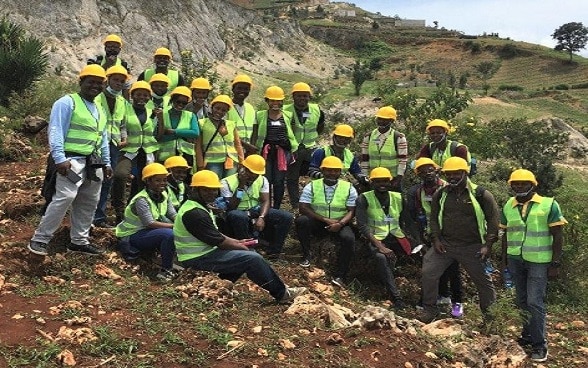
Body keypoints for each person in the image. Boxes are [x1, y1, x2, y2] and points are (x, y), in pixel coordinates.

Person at [173, 170, 307, 304]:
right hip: (197, 258)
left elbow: (215, 235)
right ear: (195, 189)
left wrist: (238, 242)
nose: (212, 193)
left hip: (203, 252)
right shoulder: (195, 213)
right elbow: (220, 242)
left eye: (214, 190)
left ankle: (220, 285)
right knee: (252, 258)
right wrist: (241, 246)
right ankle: (282, 294)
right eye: (207, 190)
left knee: (243, 256)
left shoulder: (200, 207)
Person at [28, 65, 111, 256]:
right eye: (91, 82)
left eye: (99, 83)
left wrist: (106, 162)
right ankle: (40, 239)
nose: (95, 86)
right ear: (81, 81)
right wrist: (59, 158)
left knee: (89, 201)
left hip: (92, 162)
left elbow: (102, 137)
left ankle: (79, 241)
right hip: (70, 160)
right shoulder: (67, 102)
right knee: (65, 197)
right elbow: (56, 131)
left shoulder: (99, 108)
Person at [419, 157, 499, 323]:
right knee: (428, 272)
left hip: (473, 247)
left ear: (465, 173)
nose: (453, 177)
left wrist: (488, 245)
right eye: (449, 174)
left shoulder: (481, 194)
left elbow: (493, 220)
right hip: (446, 245)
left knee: (484, 283)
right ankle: (429, 309)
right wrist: (436, 239)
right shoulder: (441, 194)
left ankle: (490, 319)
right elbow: (433, 218)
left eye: (457, 173)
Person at [500, 169, 567, 363]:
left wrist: (555, 263)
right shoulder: (508, 205)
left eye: (523, 183)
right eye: (516, 184)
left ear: (533, 185)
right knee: (521, 300)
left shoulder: (548, 204)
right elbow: (505, 235)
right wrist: (503, 260)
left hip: (539, 261)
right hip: (515, 260)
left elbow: (558, 236)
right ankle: (527, 335)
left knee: (534, 302)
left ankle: (540, 345)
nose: (519, 187)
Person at [406, 158, 463, 317]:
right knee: (429, 270)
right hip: (429, 236)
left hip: (450, 236)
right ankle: (430, 302)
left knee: (453, 270)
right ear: (418, 174)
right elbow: (412, 218)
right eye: (422, 171)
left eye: (430, 169)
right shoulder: (416, 192)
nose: (427, 173)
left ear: (436, 170)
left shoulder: (448, 188)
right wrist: (419, 241)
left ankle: (457, 307)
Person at [356, 167, 416, 310]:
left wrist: (419, 242)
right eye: (377, 181)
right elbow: (363, 226)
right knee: (382, 258)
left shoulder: (398, 197)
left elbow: (408, 222)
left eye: (385, 181)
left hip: (396, 236)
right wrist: (380, 247)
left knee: (423, 255)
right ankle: (396, 298)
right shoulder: (363, 198)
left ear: (390, 182)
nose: (382, 184)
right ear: (372, 182)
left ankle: (424, 300)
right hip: (375, 238)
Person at [295, 156, 357, 288]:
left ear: (340, 172)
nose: (332, 173)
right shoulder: (312, 185)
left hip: (340, 223)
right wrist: (324, 219)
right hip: (319, 222)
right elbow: (303, 207)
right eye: (328, 170)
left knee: (349, 238)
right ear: (322, 171)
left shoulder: (349, 187)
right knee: (302, 221)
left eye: (335, 171)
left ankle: (341, 275)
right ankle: (307, 255)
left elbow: (352, 211)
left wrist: (339, 224)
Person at [220, 154, 293, 259]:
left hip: (255, 210)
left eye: (257, 174)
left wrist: (261, 217)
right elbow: (231, 206)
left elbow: (265, 201)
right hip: (237, 212)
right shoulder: (226, 182)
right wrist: (241, 185)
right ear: (243, 169)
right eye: (251, 173)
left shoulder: (262, 180)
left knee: (286, 217)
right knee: (238, 216)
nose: (254, 176)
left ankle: (274, 251)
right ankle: (248, 249)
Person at [115, 163, 177, 282]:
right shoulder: (141, 199)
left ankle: (171, 260)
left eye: (164, 180)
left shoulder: (164, 194)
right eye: (157, 180)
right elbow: (150, 223)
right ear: (148, 181)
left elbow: (172, 214)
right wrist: (175, 226)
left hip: (148, 232)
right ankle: (165, 270)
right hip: (132, 234)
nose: (162, 183)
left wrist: (182, 223)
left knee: (175, 230)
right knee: (169, 234)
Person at [111, 81, 160, 223]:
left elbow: (156, 132)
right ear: (132, 95)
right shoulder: (125, 109)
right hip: (129, 150)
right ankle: (118, 209)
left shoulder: (152, 113)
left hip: (147, 151)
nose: (142, 97)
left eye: (145, 95)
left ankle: (133, 211)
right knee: (120, 175)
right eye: (138, 94)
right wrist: (121, 139)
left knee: (142, 183)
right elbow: (120, 125)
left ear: (149, 97)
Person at [92, 65, 129, 228]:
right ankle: (88, 216)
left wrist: (124, 138)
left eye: (121, 81)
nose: (118, 83)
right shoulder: (97, 97)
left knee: (107, 180)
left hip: (113, 146)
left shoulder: (122, 101)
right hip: (97, 143)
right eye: (115, 79)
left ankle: (99, 217)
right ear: (108, 80)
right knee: (92, 180)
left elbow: (122, 124)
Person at [251, 86, 298, 210]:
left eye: (278, 101)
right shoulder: (260, 115)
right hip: (266, 152)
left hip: (282, 152)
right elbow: (255, 134)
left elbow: (292, 132)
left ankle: (276, 206)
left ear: (282, 101)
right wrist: (254, 150)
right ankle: (266, 206)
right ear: (267, 101)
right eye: (272, 100)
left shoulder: (288, 115)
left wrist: (292, 148)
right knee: (267, 179)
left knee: (279, 180)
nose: (275, 103)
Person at [283, 82, 325, 209]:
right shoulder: (285, 110)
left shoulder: (316, 110)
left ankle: (315, 201)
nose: (302, 98)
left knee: (317, 174)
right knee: (292, 177)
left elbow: (320, 127)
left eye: (305, 96)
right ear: (293, 96)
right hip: (293, 148)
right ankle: (296, 204)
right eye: (299, 96)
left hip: (310, 148)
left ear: (309, 97)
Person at [195, 95, 244, 179]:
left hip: (231, 161)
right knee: (213, 187)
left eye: (223, 110)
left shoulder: (231, 124)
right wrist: (200, 165)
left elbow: (237, 144)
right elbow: (198, 146)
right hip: (212, 162)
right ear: (212, 107)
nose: (220, 111)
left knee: (229, 187)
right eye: (217, 108)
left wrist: (242, 162)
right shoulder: (202, 123)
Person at [360, 106, 408, 192]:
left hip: (391, 180)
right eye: (379, 119)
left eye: (385, 119)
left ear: (392, 121)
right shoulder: (368, 136)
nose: (381, 121)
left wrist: (398, 178)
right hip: (374, 179)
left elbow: (402, 160)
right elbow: (364, 158)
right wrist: (365, 176)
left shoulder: (398, 137)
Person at [156, 86, 199, 165]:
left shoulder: (191, 115)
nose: (181, 104)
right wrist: (184, 135)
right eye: (178, 102)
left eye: (184, 103)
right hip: (165, 156)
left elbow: (195, 133)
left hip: (185, 156)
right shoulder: (162, 114)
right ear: (172, 100)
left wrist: (173, 132)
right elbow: (159, 137)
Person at [87, 34, 131, 99]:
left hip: (116, 98)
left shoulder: (123, 64)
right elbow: (89, 76)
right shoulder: (96, 59)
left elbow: (126, 86)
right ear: (105, 48)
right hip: (96, 96)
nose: (112, 49)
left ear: (119, 50)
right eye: (110, 46)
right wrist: (106, 64)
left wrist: (127, 103)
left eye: (115, 47)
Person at [226, 74, 258, 155]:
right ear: (233, 89)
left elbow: (254, 129)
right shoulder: (225, 106)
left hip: (248, 151)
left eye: (246, 89)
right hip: (231, 150)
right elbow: (225, 132)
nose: (242, 91)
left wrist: (252, 146)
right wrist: (246, 145)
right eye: (239, 88)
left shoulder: (250, 108)